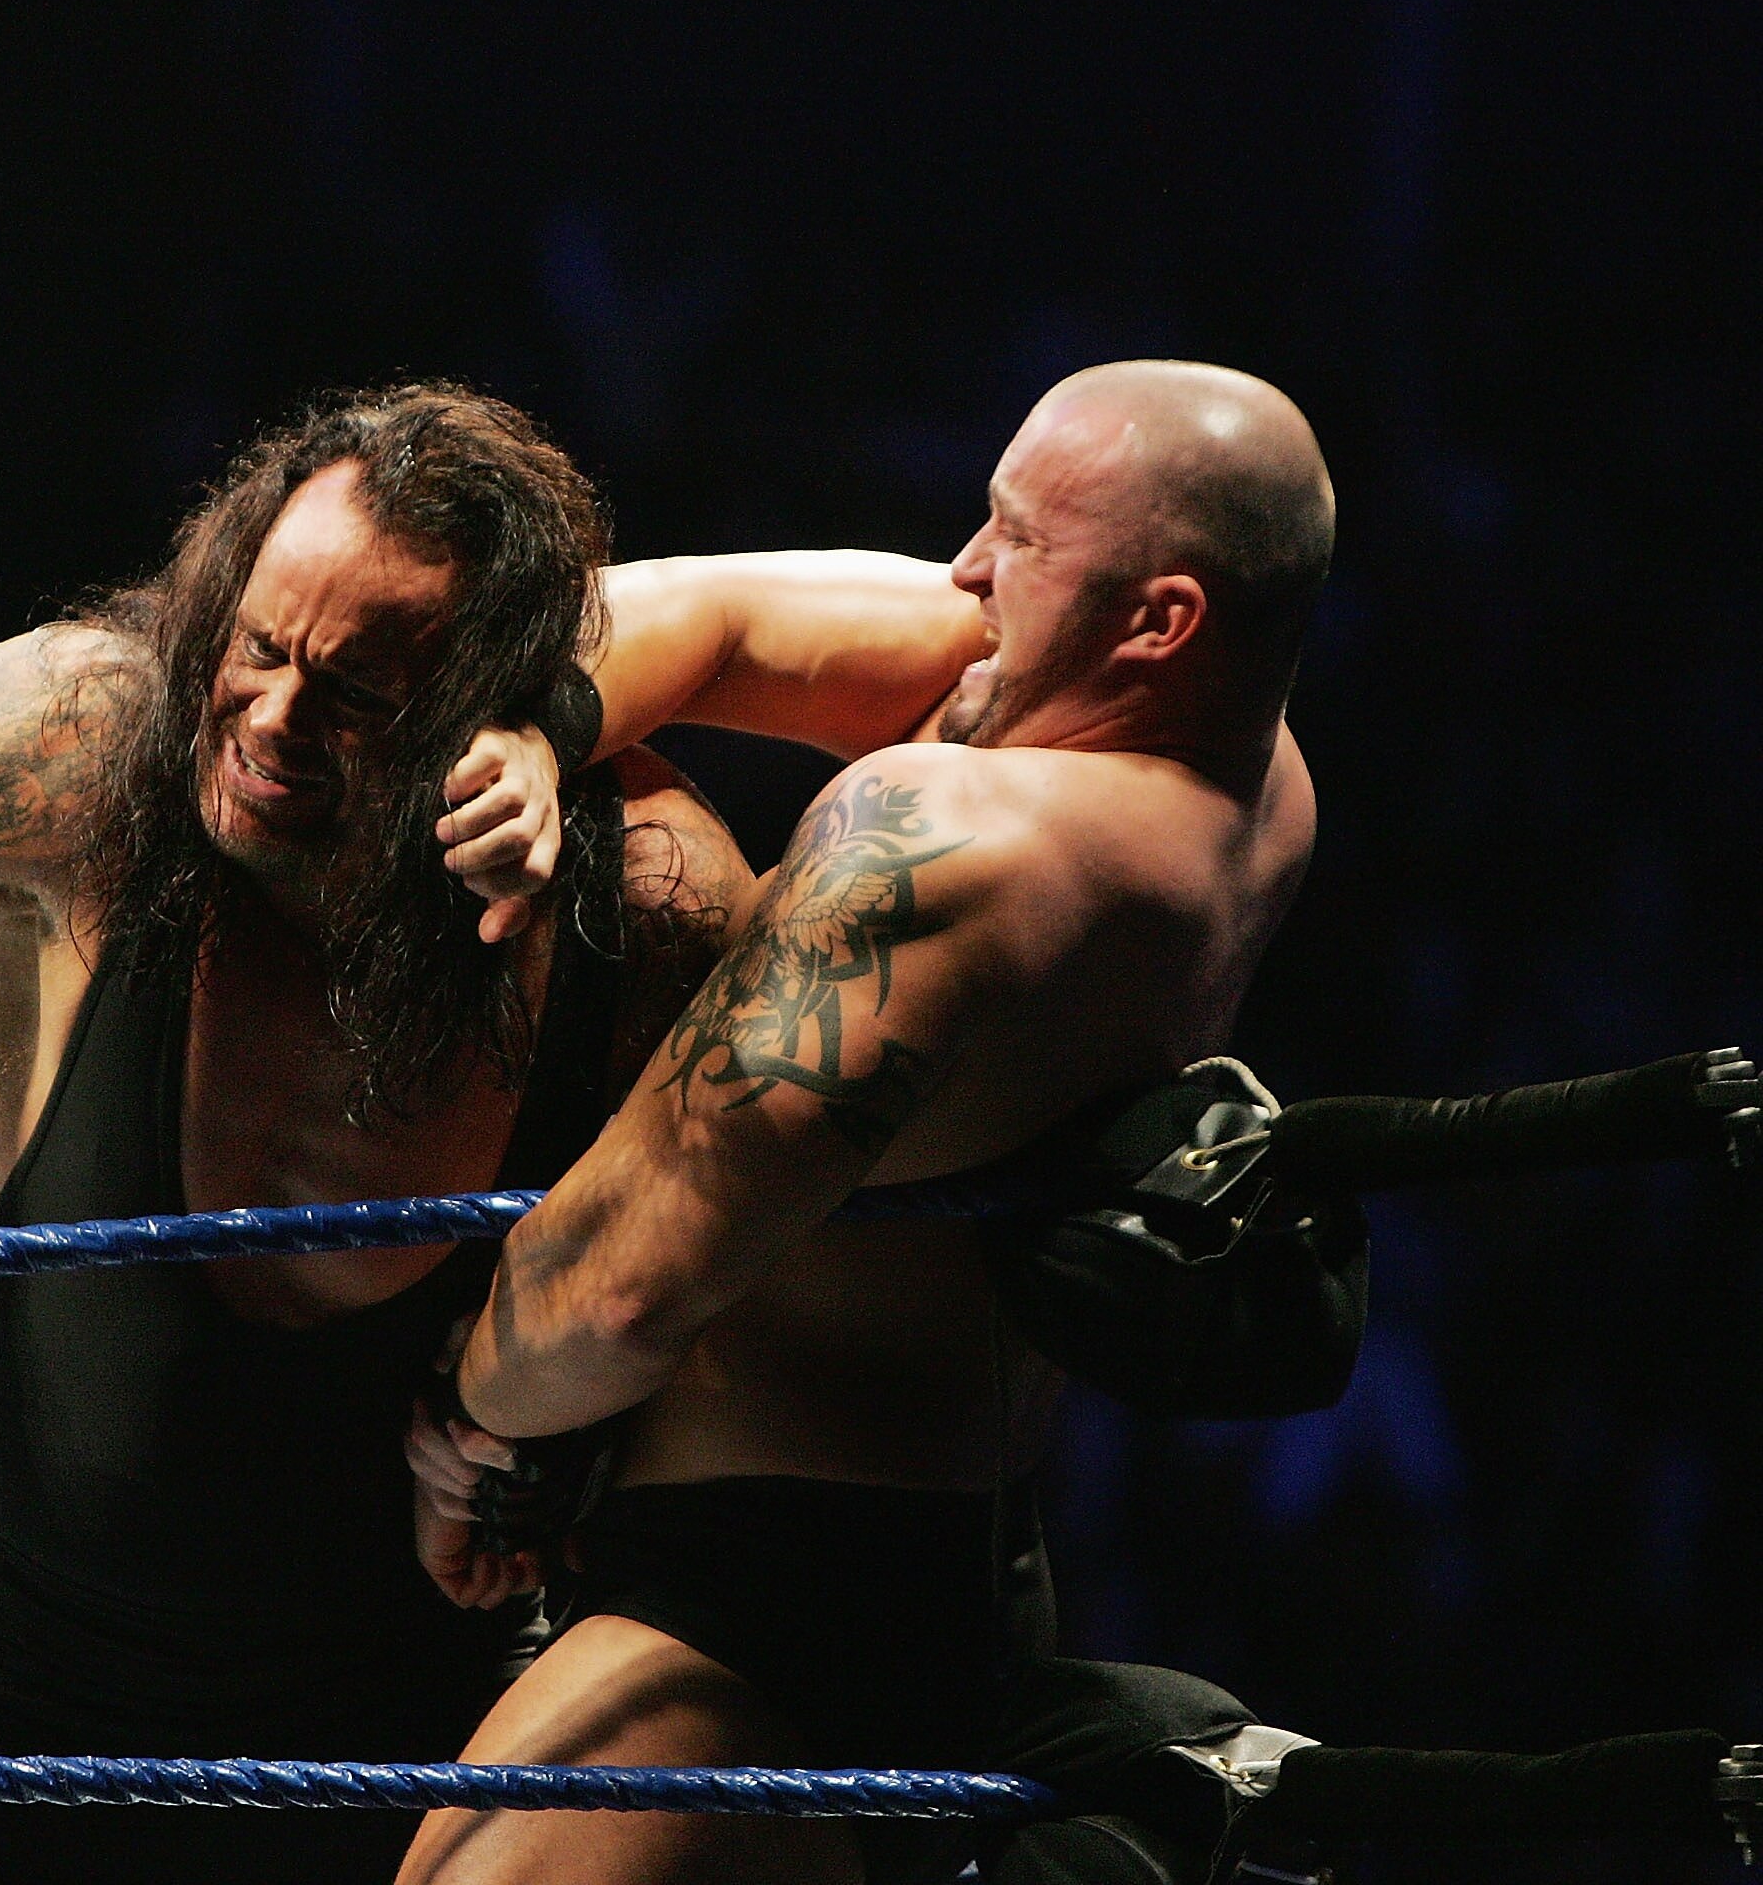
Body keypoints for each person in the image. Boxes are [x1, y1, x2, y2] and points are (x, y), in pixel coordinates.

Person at [0, 384, 1011, 1884]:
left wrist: (542, 1449)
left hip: (386, 1709)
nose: (270, 715)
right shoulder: (90, 744)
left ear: (494, 701)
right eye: (255, 645)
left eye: (358, 692)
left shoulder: (643, 902)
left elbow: (729, 1280)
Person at [402, 360, 1334, 1885]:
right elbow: (723, 617)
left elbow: (611, 1287)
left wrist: (473, 1416)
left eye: (1018, 541)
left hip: (757, 1585)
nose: (964, 571)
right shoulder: (1250, 774)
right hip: (961, 1531)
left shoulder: (968, 841)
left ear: (1159, 620)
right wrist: (540, 735)